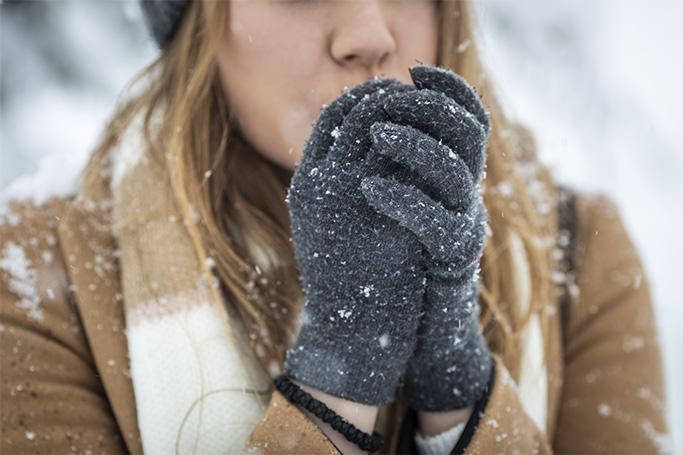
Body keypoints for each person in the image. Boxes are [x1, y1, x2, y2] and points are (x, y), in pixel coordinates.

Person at [0, 0, 670, 453]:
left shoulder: (579, 253)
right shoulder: (35, 273)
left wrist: (458, 395)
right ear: (198, 23)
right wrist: (340, 370)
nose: (368, 35)